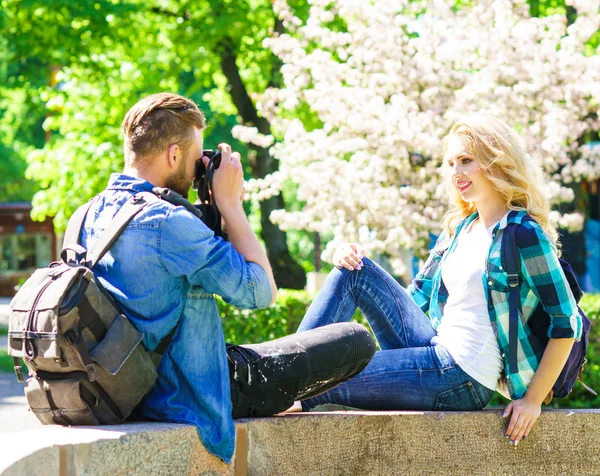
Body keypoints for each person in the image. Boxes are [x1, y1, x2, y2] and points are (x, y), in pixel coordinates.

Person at [77, 93, 375, 463]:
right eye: (194, 159)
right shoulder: (167, 223)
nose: (197, 170)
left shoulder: (85, 216)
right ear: (173, 155)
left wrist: (208, 209)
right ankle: (302, 400)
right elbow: (260, 290)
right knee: (355, 341)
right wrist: (232, 205)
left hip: (121, 392)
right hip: (194, 396)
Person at [297, 115, 582, 446]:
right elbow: (412, 300)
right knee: (353, 269)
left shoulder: (523, 234)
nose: (455, 173)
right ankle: (284, 370)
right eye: (450, 164)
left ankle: (283, 381)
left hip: (462, 374)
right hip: (433, 347)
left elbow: (567, 322)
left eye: (465, 161)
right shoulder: (461, 230)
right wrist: (351, 257)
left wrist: (532, 400)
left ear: (496, 161)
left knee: (328, 378)